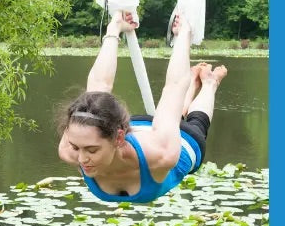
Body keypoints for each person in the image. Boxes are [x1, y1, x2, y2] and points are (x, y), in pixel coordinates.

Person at [57, 12, 227, 203]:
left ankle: (210, 83)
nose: (81, 159)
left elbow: (174, 87)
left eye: (92, 150)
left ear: (119, 137)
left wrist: (184, 34)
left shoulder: (161, 154)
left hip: (173, 143)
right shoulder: (68, 150)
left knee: (196, 125)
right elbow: (98, 87)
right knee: (169, 117)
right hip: (141, 130)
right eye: (75, 147)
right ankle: (196, 81)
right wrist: (114, 29)